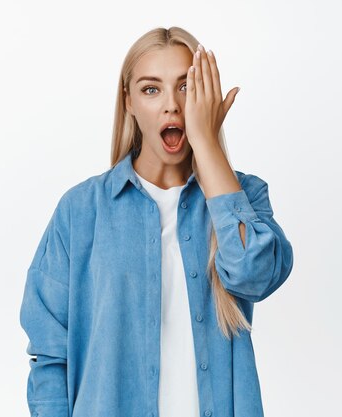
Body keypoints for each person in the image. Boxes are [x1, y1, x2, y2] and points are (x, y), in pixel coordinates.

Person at [19, 26, 294, 417]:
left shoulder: (244, 198)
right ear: (128, 101)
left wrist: (208, 142)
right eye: (152, 89)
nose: (172, 106)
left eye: (186, 87)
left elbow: (256, 274)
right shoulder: (80, 211)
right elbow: (49, 353)